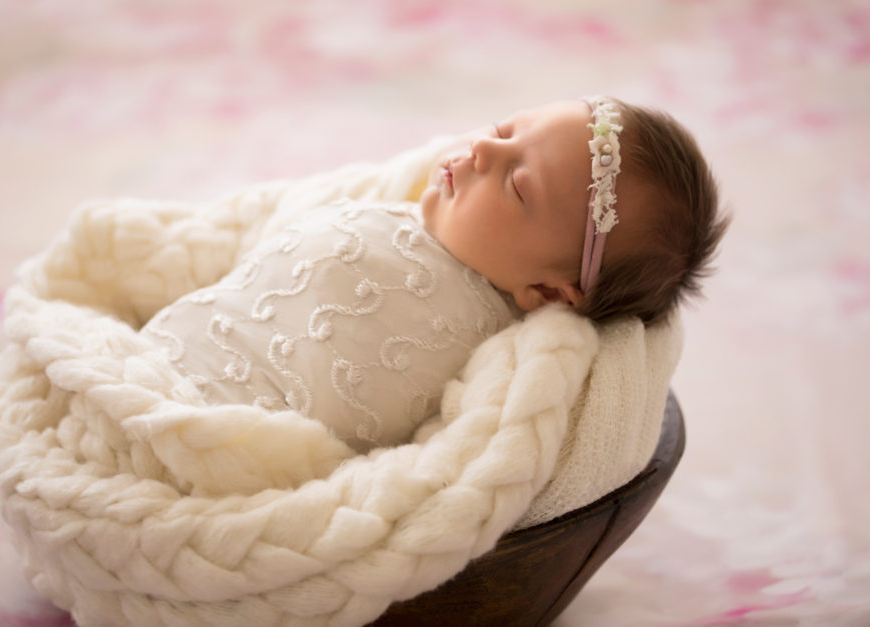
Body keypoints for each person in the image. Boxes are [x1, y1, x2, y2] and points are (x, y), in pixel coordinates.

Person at [141, 96, 728, 450]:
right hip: (162, 356)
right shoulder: (413, 207)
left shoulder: (480, 355)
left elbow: (425, 459)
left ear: (547, 291)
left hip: (223, 425)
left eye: (517, 185)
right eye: (503, 132)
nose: (481, 152)